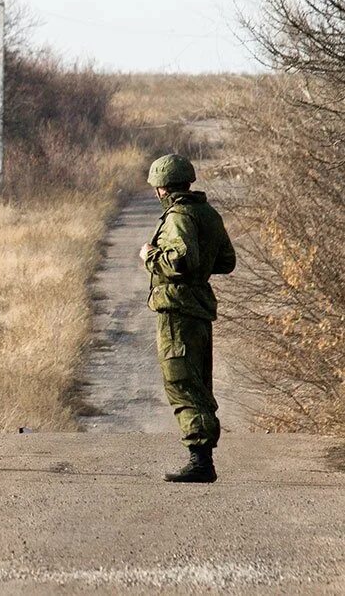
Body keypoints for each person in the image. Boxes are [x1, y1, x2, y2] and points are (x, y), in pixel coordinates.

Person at [140, 154, 236, 483]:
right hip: (197, 307)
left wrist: (150, 256)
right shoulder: (207, 214)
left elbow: (180, 262)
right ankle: (202, 457)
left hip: (178, 309)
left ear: (161, 188)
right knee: (197, 380)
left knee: (182, 381)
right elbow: (225, 261)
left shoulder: (178, 216)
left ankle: (200, 459)